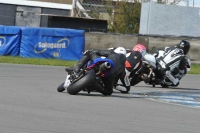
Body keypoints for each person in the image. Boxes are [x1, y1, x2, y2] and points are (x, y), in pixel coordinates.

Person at [65, 47, 130, 96]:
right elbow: (119, 83)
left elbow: (98, 51)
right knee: (108, 92)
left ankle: (77, 67)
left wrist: (89, 51)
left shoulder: (112, 53)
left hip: (101, 64)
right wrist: (114, 84)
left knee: (90, 53)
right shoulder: (123, 69)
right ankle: (95, 86)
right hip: (109, 76)